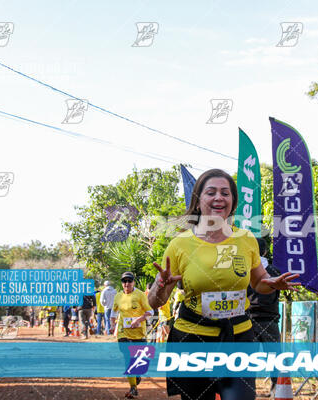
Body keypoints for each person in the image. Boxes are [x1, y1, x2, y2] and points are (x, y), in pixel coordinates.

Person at [148, 168, 300, 400]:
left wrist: (272, 284)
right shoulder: (180, 245)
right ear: (198, 201)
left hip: (238, 337)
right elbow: (155, 302)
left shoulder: (246, 239)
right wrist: (160, 286)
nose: (219, 197)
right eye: (211, 192)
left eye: (225, 193)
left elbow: (259, 282)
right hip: (193, 341)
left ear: (233, 201)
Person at [247, 237, 281, 397]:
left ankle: (248, 390)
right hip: (269, 319)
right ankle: (276, 389)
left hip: (249, 320)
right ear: (266, 251)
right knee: (274, 357)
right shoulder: (274, 271)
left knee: (248, 358)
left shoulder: (245, 269)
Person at [111, 271, 153, 399]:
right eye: (124, 281)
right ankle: (133, 388)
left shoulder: (140, 295)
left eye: (129, 281)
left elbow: (150, 311)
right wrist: (113, 325)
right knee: (128, 357)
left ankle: (137, 375)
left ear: (133, 282)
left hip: (139, 333)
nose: (127, 283)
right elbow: (113, 312)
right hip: (123, 332)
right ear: (122, 283)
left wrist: (139, 319)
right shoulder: (118, 296)